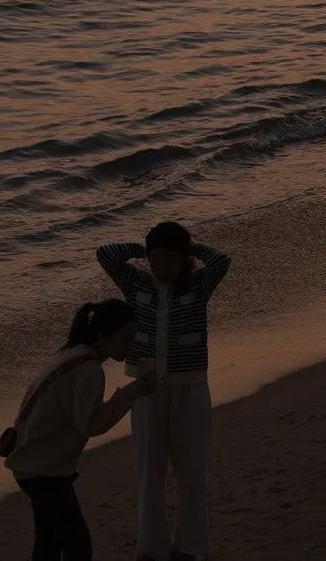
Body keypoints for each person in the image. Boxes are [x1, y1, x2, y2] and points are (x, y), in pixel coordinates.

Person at [97, 224, 231, 561]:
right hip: (146, 391)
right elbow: (106, 255)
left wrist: (190, 249)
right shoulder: (137, 283)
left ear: (183, 261)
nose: (162, 267)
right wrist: (147, 249)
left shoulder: (198, 286)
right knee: (148, 470)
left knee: (191, 471)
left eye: (171, 260)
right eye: (156, 260)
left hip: (189, 389)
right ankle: (152, 548)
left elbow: (221, 260)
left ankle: (189, 546)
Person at [3, 298, 156, 560]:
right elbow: (92, 424)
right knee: (77, 544)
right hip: (43, 468)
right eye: (125, 339)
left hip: (31, 461)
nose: (131, 346)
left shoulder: (72, 353)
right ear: (102, 336)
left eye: (133, 339)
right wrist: (134, 391)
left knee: (49, 539)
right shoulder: (89, 368)